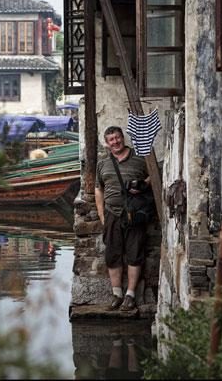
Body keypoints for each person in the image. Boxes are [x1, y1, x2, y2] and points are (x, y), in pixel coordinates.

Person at [95, 126, 150, 311]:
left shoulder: (140, 159)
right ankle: (117, 294)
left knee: (135, 253)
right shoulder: (102, 163)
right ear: (107, 143)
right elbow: (98, 189)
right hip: (112, 213)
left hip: (135, 213)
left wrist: (142, 185)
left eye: (118, 138)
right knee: (112, 254)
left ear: (122, 138)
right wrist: (102, 215)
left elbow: (154, 177)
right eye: (111, 139)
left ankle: (130, 295)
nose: (115, 142)